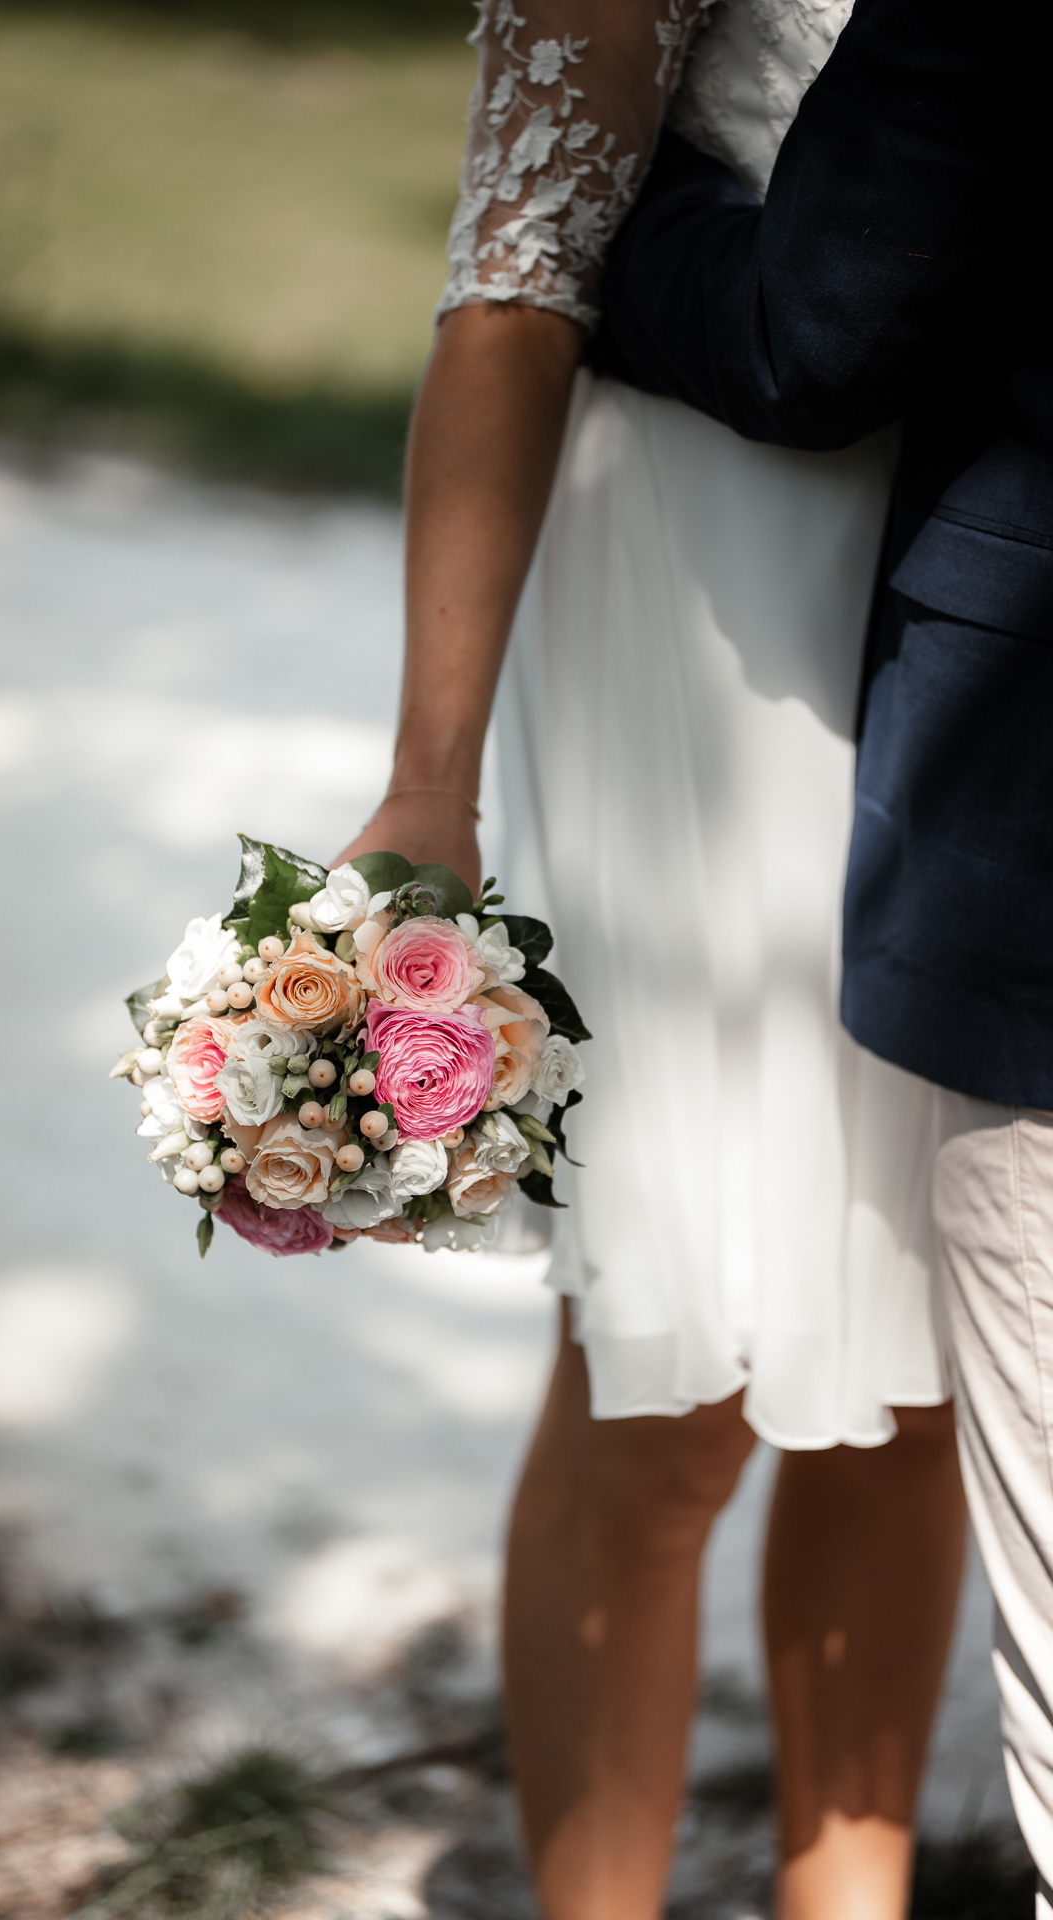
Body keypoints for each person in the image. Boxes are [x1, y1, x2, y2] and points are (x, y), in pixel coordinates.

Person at [336, 1, 969, 1913]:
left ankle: (837, 1899)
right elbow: (519, 270)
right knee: (668, 1364)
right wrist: (429, 776)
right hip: (700, 557)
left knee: (931, 1324)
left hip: (976, 563)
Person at [591, 0, 1053, 1899]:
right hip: (747, 650)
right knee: (709, 1364)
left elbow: (818, 321)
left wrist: (574, 234)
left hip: (1005, 777)